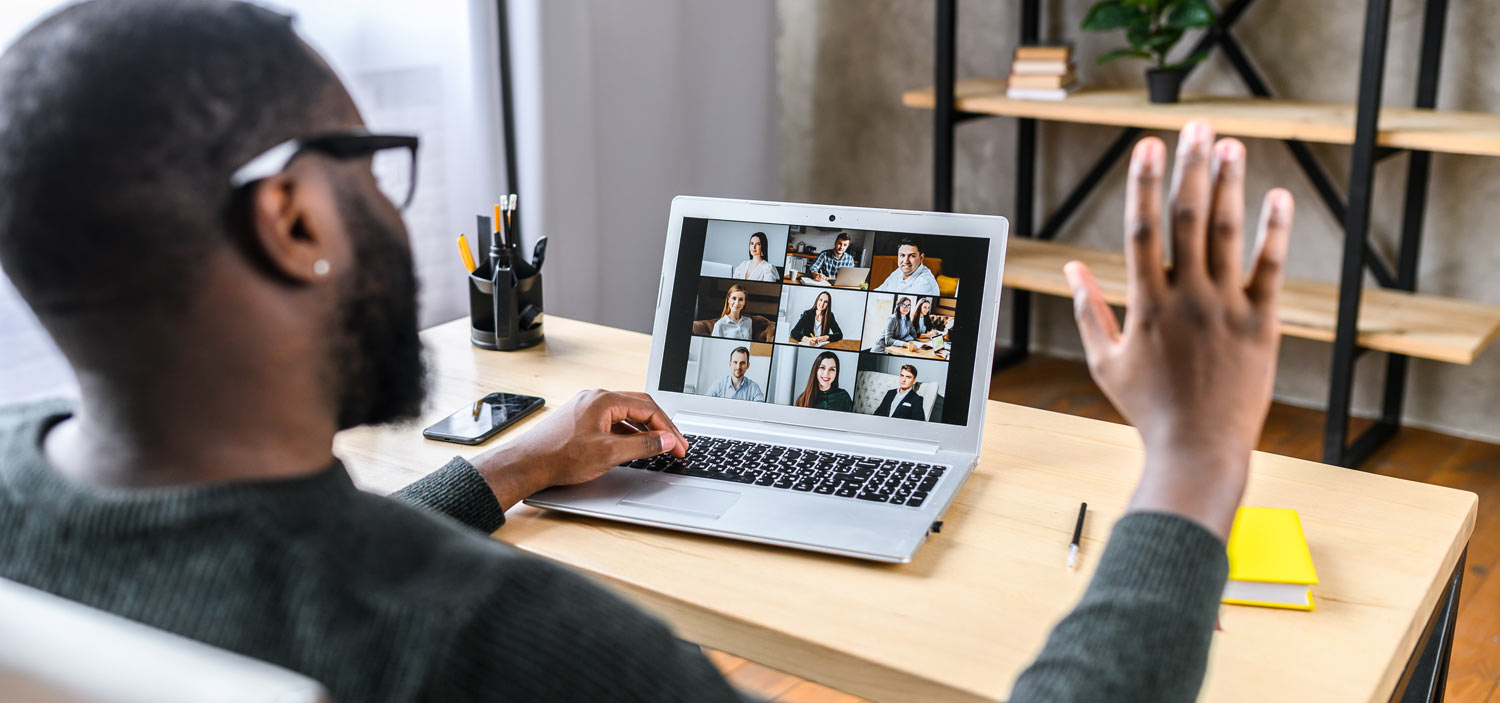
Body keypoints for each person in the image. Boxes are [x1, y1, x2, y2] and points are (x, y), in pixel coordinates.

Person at [0, 4, 1293, 696]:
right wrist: (1191, 464)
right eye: (374, 172)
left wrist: (503, 470)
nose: (399, 208)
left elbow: (269, 563)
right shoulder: (516, 648)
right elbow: (350, 588)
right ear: (289, 218)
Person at [873, 238, 939, 295]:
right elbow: (878, 292)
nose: (906, 261)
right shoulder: (898, 271)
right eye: (902, 255)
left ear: (921, 258)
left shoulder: (925, 283)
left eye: (912, 256)